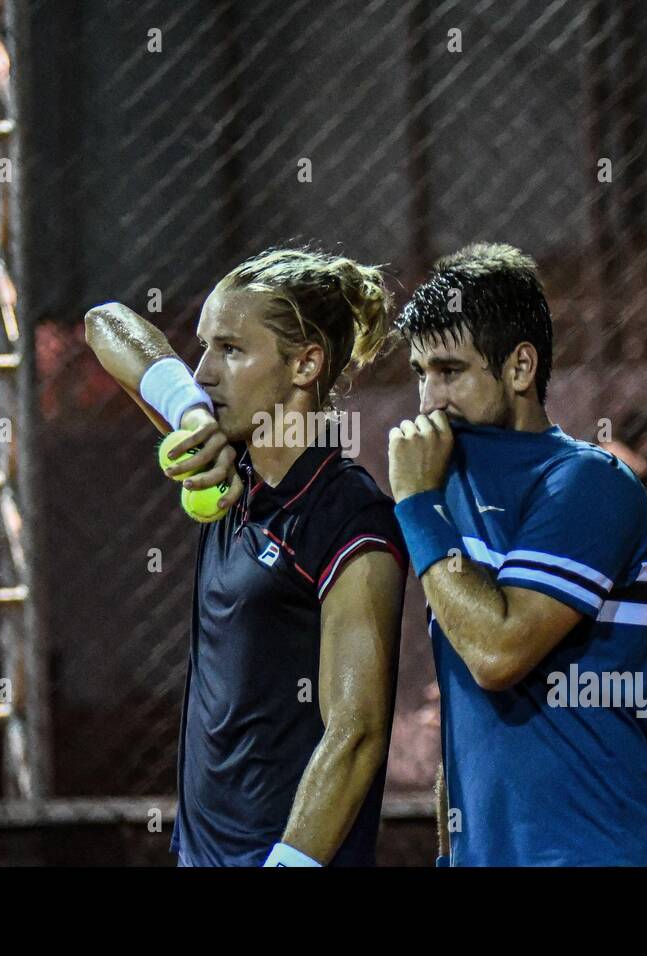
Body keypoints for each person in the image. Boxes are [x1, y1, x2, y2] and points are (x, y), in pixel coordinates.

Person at [85, 247, 408, 866]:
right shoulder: (227, 465)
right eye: (204, 346)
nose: (203, 371)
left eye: (232, 350)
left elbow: (357, 730)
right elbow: (106, 323)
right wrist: (184, 411)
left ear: (305, 363)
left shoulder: (348, 515)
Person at [386, 242, 647, 866]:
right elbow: (469, 716)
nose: (427, 401)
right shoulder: (450, 491)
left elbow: (498, 652)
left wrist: (416, 505)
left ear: (520, 367)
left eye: (449, 371)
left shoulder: (587, 483)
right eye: (420, 373)